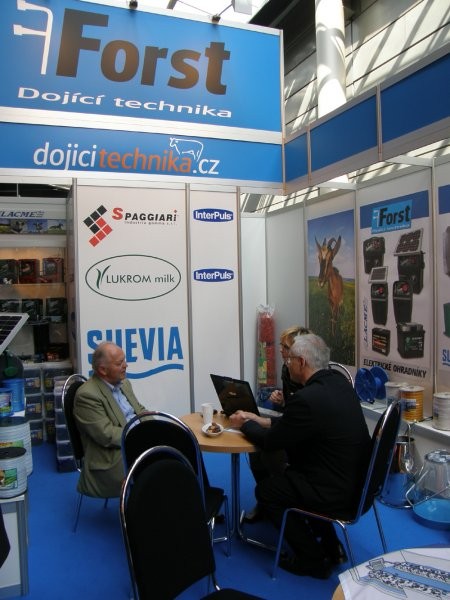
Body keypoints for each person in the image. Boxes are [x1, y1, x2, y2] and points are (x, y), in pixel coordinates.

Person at [230, 333, 371, 579]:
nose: (287, 364)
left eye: (290, 360)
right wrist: (259, 420)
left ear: (302, 362)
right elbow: (298, 424)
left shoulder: (307, 399)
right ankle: (332, 547)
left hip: (334, 492)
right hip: (358, 485)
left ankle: (312, 559)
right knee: (295, 477)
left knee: (268, 492)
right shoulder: (339, 384)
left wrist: (244, 424)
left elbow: (272, 442)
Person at [244, 325, 311, 522]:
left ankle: (285, 498)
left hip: (303, 437)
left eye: (285, 347)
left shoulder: (311, 378)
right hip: (292, 423)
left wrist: (252, 422)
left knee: (268, 450)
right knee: (255, 449)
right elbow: (293, 408)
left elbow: (303, 416)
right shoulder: (286, 369)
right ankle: (266, 501)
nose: (281, 350)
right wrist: (283, 400)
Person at [73, 342, 146, 498]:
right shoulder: (87, 395)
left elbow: (140, 410)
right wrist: (142, 437)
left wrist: (155, 427)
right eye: (119, 363)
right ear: (103, 370)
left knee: (178, 444)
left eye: (124, 360)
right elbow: (106, 434)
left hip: (134, 438)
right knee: (164, 459)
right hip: (112, 455)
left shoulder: (124, 383)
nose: (125, 365)